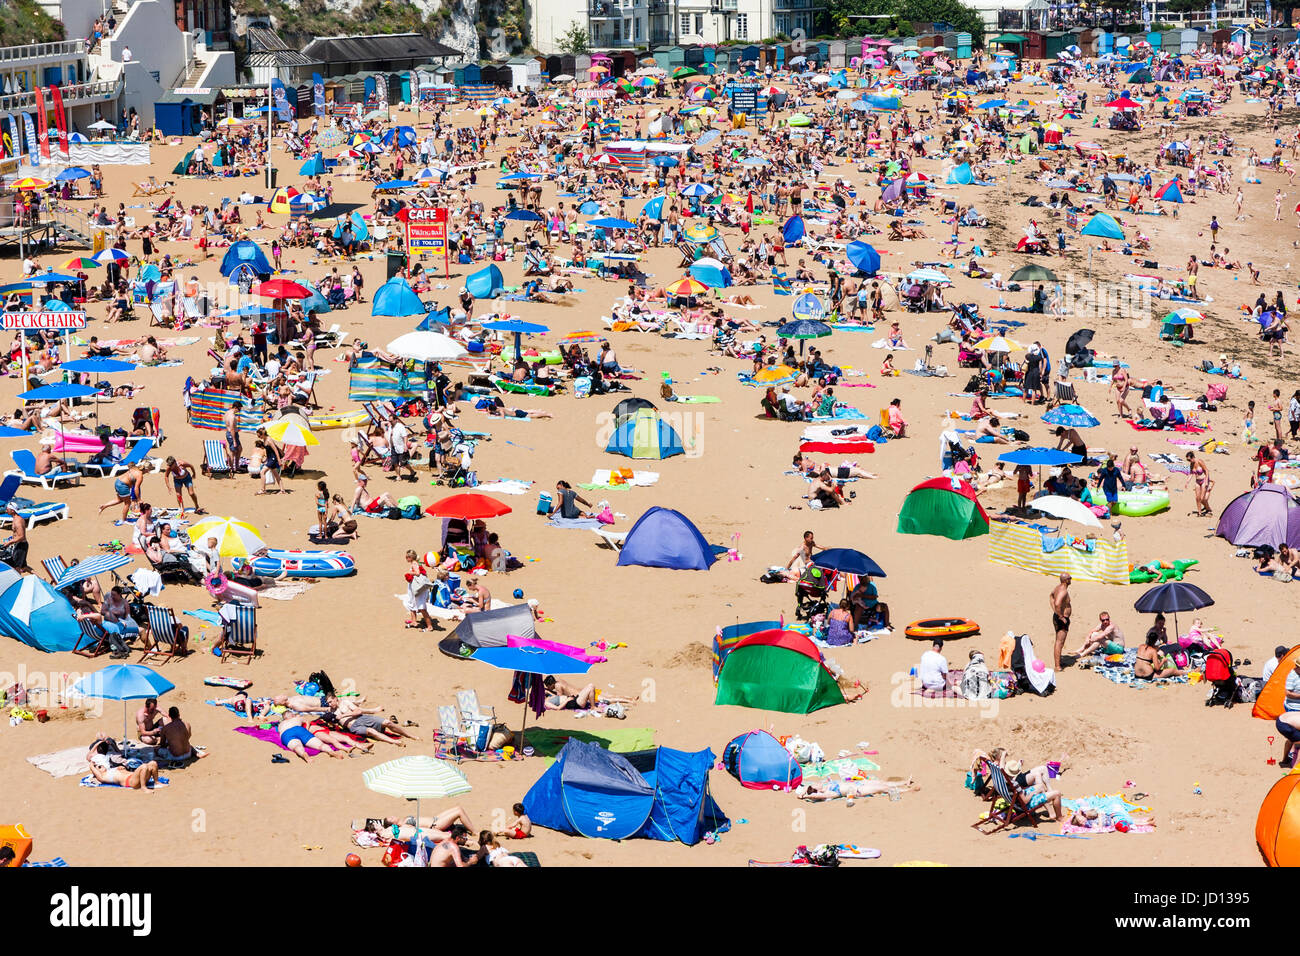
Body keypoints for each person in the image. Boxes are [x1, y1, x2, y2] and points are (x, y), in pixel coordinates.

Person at [87, 740, 161, 791]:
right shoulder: (102, 777)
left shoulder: (110, 770)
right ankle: (143, 787)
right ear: (97, 771)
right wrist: (92, 765)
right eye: (99, 767)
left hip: (138, 777)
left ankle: (157, 782)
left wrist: (119, 768)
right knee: (144, 766)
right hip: (132, 782)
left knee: (153, 763)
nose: (101, 766)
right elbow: (90, 762)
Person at [1050, 573, 1071, 671]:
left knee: (1060, 641)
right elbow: (1057, 603)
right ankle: (1057, 666)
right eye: (1070, 578)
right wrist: (1061, 616)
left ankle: (1058, 661)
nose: (1071, 580)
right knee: (1059, 641)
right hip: (1061, 619)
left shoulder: (1057, 588)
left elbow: (1051, 596)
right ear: (1066, 580)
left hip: (1057, 617)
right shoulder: (1063, 591)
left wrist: (1054, 610)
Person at [1, 503, 29, 572]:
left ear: (13, 511)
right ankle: (41, 578)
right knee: (23, 566)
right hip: (20, 545)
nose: (6, 511)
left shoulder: (17, 521)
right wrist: (10, 539)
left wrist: (9, 542)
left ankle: (19, 583)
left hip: (20, 546)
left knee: (16, 568)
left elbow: (21, 536)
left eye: (7, 509)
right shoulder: (16, 518)